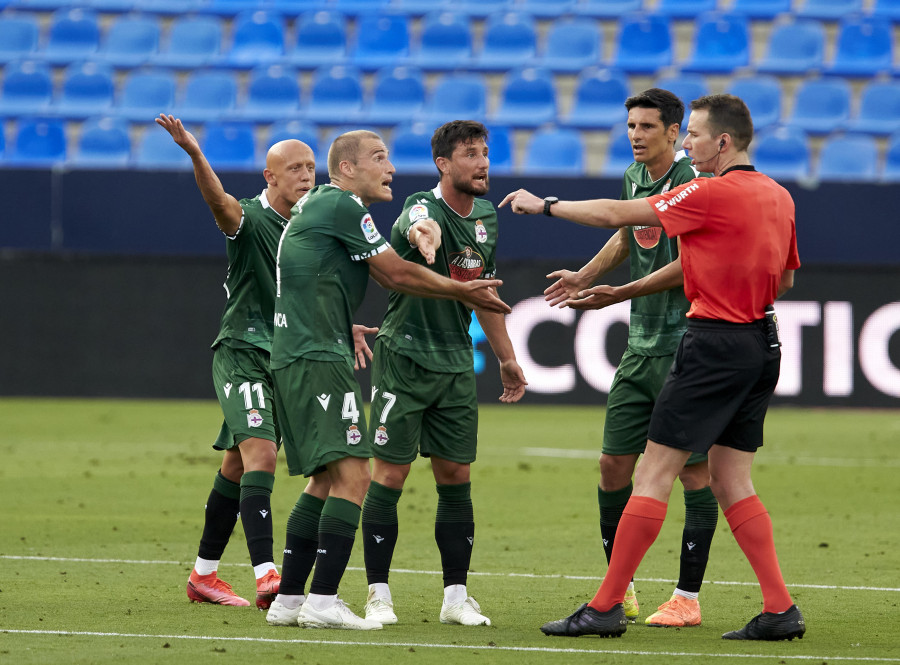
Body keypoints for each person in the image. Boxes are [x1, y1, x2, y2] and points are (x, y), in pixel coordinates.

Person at [501, 94, 804, 641]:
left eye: (696, 135)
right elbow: (783, 282)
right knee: (732, 479)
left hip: (711, 342)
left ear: (723, 143)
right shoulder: (778, 196)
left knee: (654, 472)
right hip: (763, 342)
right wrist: (628, 289)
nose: (689, 142)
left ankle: (605, 606)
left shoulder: (709, 191)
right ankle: (780, 609)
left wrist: (544, 204)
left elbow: (619, 215)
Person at [264, 129, 511, 631]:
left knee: (323, 480)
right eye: (379, 158)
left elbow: (346, 272)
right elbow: (397, 273)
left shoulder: (327, 208)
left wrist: (339, 322)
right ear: (349, 168)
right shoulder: (341, 205)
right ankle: (324, 600)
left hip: (308, 349)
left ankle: (289, 599)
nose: (390, 168)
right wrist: (465, 290)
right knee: (357, 477)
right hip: (316, 357)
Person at [543, 89, 717, 628]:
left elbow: (691, 265)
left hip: (685, 345)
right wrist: (587, 274)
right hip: (639, 349)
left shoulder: (696, 183)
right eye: (631, 126)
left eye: (648, 126)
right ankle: (620, 591)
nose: (636, 134)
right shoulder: (633, 176)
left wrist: (620, 293)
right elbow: (627, 232)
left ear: (674, 131)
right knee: (613, 465)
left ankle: (687, 596)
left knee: (693, 474)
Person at [360, 120, 527, 628]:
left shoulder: (485, 219)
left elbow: (484, 293)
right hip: (405, 360)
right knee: (390, 473)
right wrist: (422, 236)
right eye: (470, 154)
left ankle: (456, 597)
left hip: (455, 361)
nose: (482, 163)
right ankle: (378, 595)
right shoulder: (421, 205)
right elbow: (415, 225)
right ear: (443, 164)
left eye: (486, 154)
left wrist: (505, 357)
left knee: (456, 477)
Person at [156, 114, 314, 610]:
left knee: (235, 466)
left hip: (284, 357)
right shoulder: (248, 218)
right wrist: (196, 154)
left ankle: (203, 576)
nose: (307, 176)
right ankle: (268, 574)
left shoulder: (311, 228)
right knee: (262, 455)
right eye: (295, 168)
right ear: (271, 177)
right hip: (243, 351)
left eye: (311, 167)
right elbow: (216, 202)